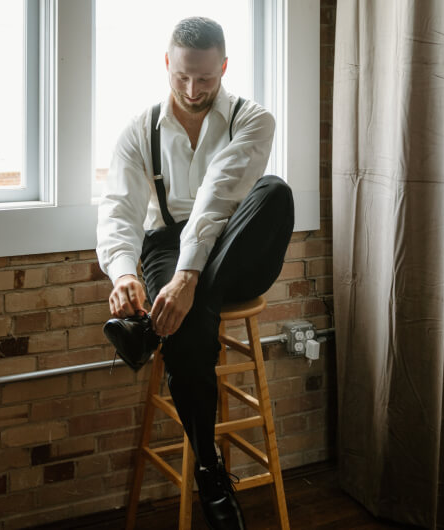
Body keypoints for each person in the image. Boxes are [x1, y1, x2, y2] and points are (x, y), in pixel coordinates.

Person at [96, 16, 294, 530]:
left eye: (205, 79)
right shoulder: (138, 133)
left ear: (223, 68)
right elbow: (118, 211)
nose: (192, 89)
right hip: (165, 241)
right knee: (186, 317)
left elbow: (216, 199)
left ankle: (151, 331)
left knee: (274, 193)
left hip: (238, 241)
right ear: (168, 64)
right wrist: (122, 274)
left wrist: (186, 279)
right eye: (183, 76)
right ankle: (210, 468)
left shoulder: (253, 120)